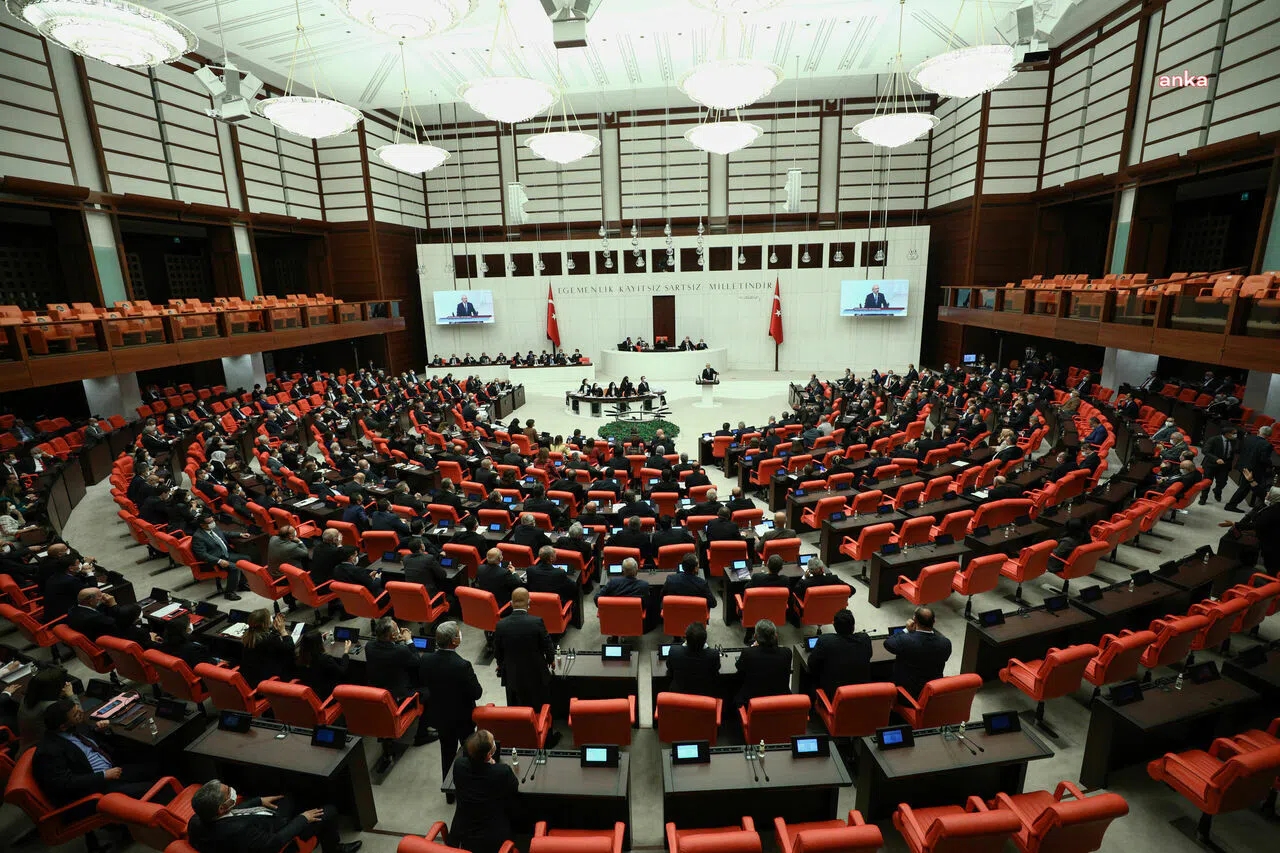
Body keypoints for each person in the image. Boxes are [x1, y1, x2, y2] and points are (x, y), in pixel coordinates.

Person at [33, 698, 159, 808]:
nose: (81, 712)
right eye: (76, 714)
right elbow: (65, 783)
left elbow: (98, 743)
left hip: (113, 770)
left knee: (154, 766)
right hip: (95, 788)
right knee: (150, 789)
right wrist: (103, 775)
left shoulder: (76, 727)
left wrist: (104, 731)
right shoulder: (49, 751)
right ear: (63, 726)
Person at [187, 779, 360, 853]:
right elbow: (274, 843)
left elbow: (234, 812)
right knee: (329, 811)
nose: (232, 790)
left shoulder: (196, 820)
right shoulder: (240, 831)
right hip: (278, 833)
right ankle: (334, 850)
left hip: (263, 821)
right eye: (228, 792)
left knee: (288, 794)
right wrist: (303, 818)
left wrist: (258, 801)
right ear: (221, 808)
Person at [419, 622, 483, 777]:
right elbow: (477, 693)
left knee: (447, 753)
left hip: (440, 717)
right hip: (463, 718)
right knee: (469, 752)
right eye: (458, 633)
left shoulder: (426, 659)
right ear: (454, 641)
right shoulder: (462, 665)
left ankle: (448, 785)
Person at [448, 730, 519, 853]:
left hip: (463, 833)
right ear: (489, 754)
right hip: (492, 838)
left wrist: (487, 764)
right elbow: (513, 787)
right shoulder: (502, 772)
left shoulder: (459, 765)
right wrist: (492, 766)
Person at [492, 588, 555, 726]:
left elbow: (497, 651)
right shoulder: (537, 622)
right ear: (529, 603)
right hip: (536, 674)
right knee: (539, 708)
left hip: (512, 675)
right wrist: (551, 660)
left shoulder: (501, 625)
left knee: (515, 709)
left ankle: (519, 732)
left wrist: (500, 664)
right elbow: (548, 646)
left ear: (511, 603)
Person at [883, 607, 951, 698]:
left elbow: (887, 643)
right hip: (933, 693)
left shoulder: (905, 640)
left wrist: (906, 630)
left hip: (907, 695)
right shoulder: (945, 643)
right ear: (934, 621)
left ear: (914, 620)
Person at [807, 609, 872, 696]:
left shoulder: (825, 640)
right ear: (853, 626)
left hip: (834, 696)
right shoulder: (865, 639)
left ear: (834, 625)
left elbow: (811, 664)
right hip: (861, 694)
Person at [734, 619, 791, 708]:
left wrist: (752, 648)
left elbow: (738, 666)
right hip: (781, 702)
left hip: (753, 703)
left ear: (755, 636)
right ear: (776, 636)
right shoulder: (787, 653)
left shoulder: (748, 653)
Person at [18, 666, 75, 753]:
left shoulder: (27, 698)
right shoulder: (51, 707)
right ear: (55, 689)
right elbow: (78, 718)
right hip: (43, 751)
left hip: (25, 746)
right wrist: (71, 695)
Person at [191, 515, 246, 601]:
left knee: (246, 559)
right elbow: (202, 555)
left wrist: (240, 534)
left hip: (225, 555)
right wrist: (219, 561)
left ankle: (242, 585)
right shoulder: (198, 537)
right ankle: (229, 593)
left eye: (213, 520)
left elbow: (224, 533)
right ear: (202, 525)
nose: (213, 523)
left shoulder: (214, 528)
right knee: (234, 568)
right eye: (210, 522)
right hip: (213, 561)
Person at [241, 609, 295, 687]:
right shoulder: (269, 640)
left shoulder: (247, 636)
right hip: (268, 683)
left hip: (251, 679)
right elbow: (289, 647)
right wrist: (283, 630)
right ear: (264, 624)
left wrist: (275, 630)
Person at [1225, 426, 1273, 512]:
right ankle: (1230, 505)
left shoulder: (1248, 439)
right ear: (1269, 436)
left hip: (1243, 466)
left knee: (1245, 488)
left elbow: (1241, 450)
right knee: (1245, 488)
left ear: (1259, 432)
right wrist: (1270, 464)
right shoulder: (1267, 445)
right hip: (1253, 470)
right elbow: (1264, 459)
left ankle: (1232, 505)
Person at [666, 621, 721, 696]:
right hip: (705, 697)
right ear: (705, 640)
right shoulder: (713, 655)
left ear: (686, 639)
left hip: (678, 696)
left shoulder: (674, 651)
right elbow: (716, 671)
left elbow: (669, 667)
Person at [294, 629, 350, 701]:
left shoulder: (300, 658)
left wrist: (320, 639)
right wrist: (346, 652)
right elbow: (342, 671)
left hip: (309, 694)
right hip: (327, 697)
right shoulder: (325, 659)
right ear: (319, 644)